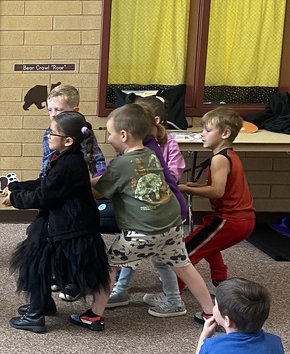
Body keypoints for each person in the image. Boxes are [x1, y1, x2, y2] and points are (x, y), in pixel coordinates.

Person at [71, 103, 214, 332]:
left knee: (110, 266)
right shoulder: (151, 154)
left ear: (123, 135)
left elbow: (97, 192)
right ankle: (210, 313)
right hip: (171, 227)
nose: (109, 138)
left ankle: (94, 315)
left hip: (141, 231)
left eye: (110, 133)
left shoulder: (121, 163)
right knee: (184, 267)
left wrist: (73, 184)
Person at [3, 111, 110, 334]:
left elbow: (45, 196)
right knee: (36, 260)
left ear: (68, 141)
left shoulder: (69, 164)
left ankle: (35, 316)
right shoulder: (65, 158)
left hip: (67, 227)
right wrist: (16, 187)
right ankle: (43, 304)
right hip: (61, 221)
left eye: (52, 133)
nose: (48, 136)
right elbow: (45, 183)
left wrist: (15, 199)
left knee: (35, 264)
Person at [107, 97, 189, 318]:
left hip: (159, 213)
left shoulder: (150, 148)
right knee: (137, 255)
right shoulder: (141, 145)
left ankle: (173, 300)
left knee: (160, 260)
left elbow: (169, 176)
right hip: (150, 212)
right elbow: (116, 169)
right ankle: (123, 291)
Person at [178, 106, 255, 286]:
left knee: (183, 253)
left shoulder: (219, 159)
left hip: (231, 220)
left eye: (207, 130)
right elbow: (223, 188)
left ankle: (173, 296)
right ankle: (219, 283)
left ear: (225, 133)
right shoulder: (230, 156)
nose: (201, 134)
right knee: (209, 245)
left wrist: (186, 189)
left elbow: (217, 191)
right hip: (243, 220)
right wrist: (198, 186)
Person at [41, 84, 106, 176]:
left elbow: (97, 159)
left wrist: (99, 180)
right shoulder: (49, 134)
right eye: (50, 110)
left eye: (58, 109)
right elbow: (46, 163)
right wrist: (43, 181)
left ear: (74, 111)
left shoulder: (84, 131)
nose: (53, 114)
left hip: (77, 179)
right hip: (55, 179)